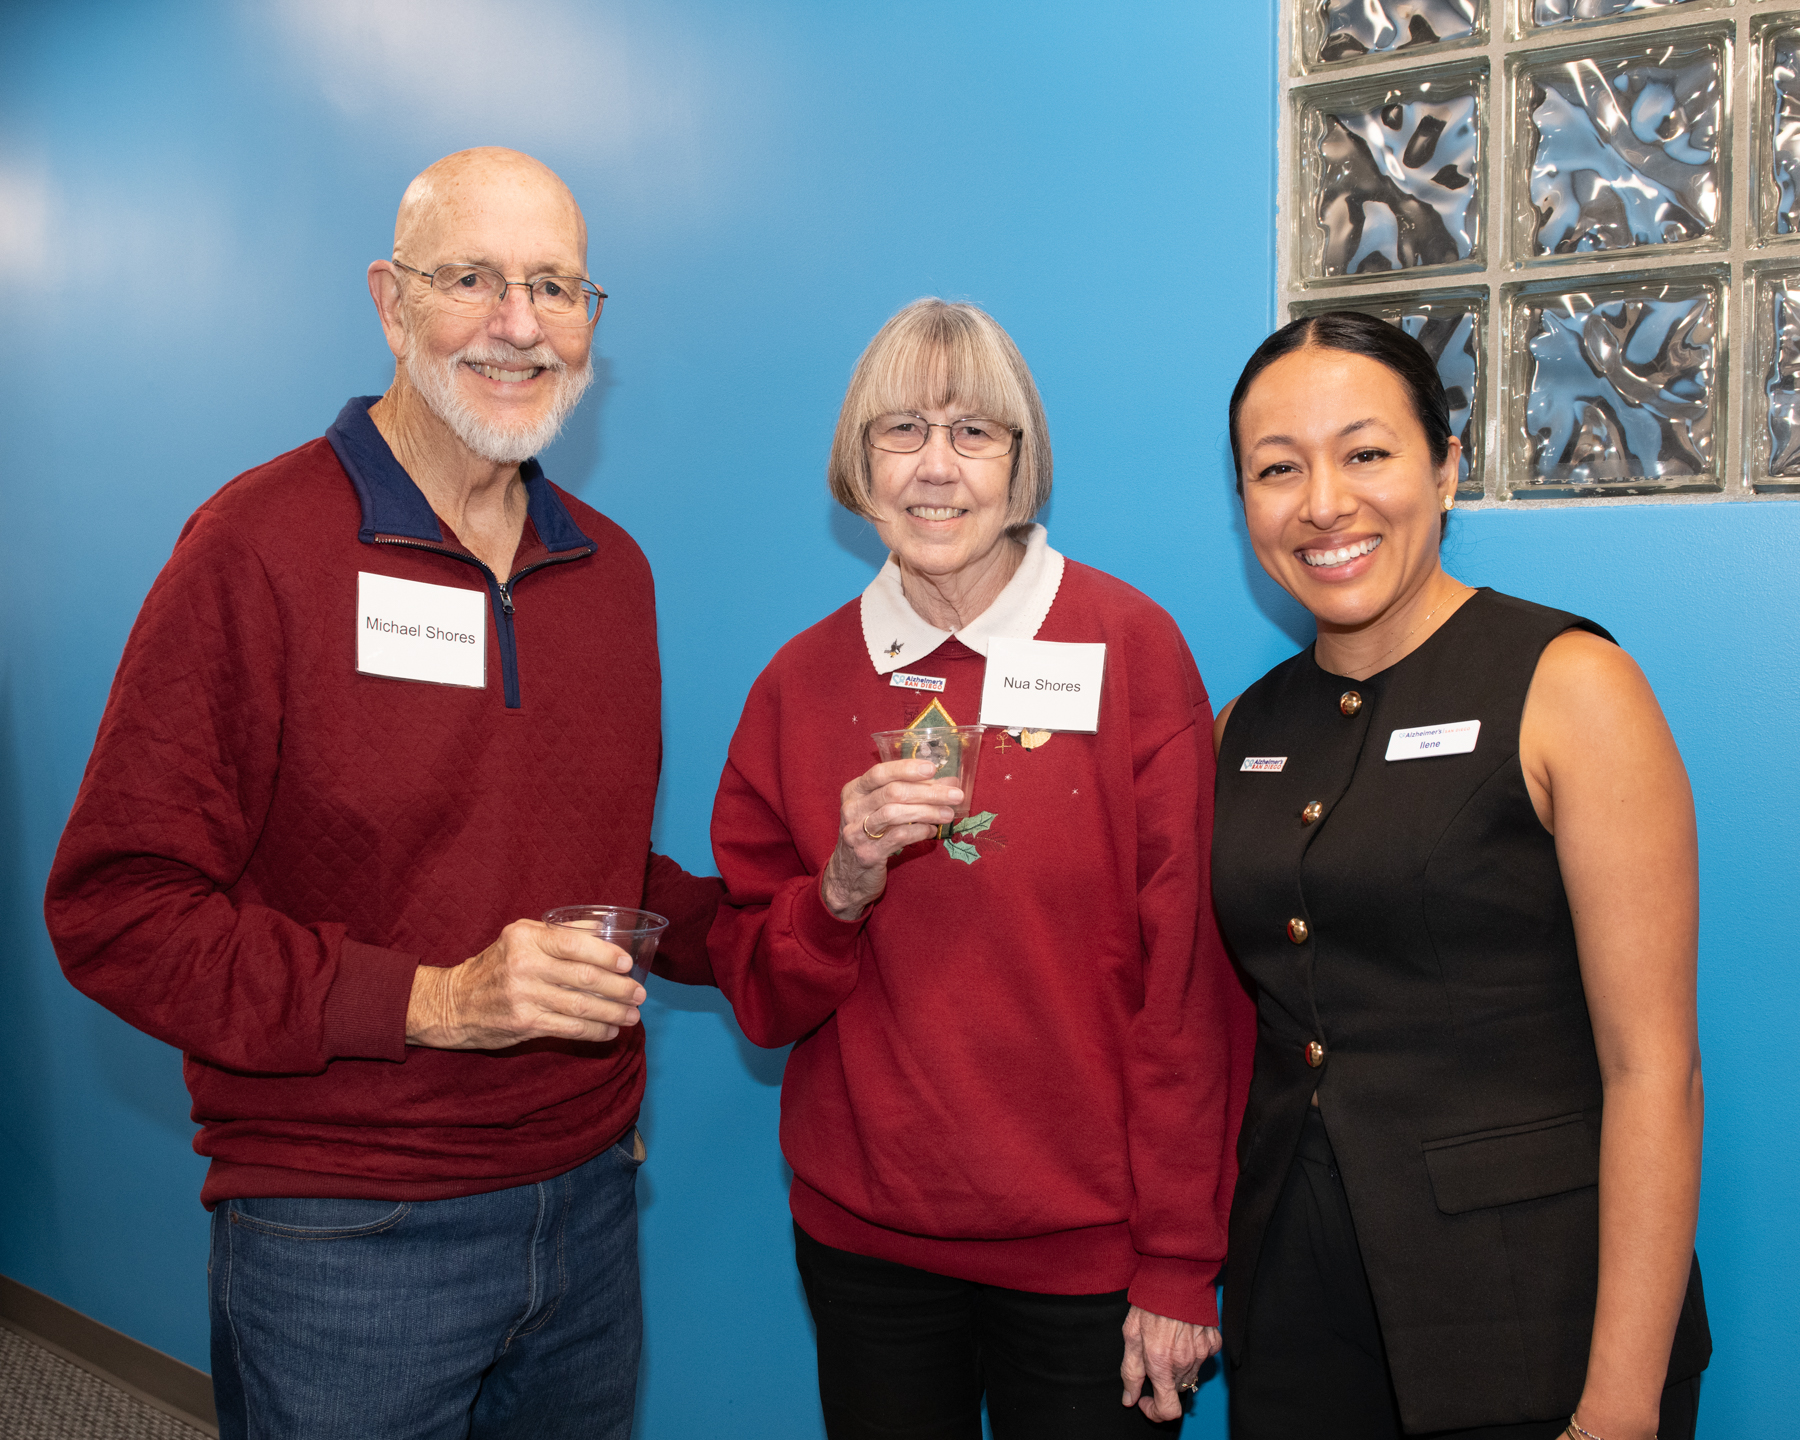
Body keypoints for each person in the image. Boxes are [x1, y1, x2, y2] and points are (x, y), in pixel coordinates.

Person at [44, 147, 723, 1440]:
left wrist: (811, 909)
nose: (519, 324)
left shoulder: (612, 576)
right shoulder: (254, 549)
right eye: (472, 279)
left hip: (585, 1209)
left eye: (556, 287)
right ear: (389, 301)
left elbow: (594, 873)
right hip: (346, 1229)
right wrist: (438, 1000)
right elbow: (117, 912)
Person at [708, 298, 1255, 1438]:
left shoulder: (1129, 648)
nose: (936, 468)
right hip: (868, 1250)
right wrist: (841, 889)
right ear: (858, 465)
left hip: (1094, 1259)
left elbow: (1189, 980)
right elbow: (760, 993)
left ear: (1023, 459)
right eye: (901, 431)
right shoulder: (798, 687)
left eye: (973, 433)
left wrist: (1178, 1256)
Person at [1212, 311, 1710, 1439]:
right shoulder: (1244, 727)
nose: (1324, 503)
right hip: (1299, 1319)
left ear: (1445, 469)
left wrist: (1618, 1407)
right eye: (1278, 469)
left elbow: (1654, 1071)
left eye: (1366, 452)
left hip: (1534, 1318)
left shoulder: (1569, 685)